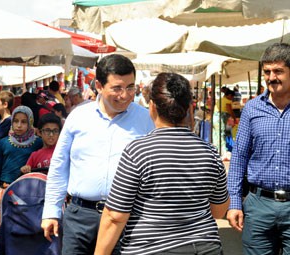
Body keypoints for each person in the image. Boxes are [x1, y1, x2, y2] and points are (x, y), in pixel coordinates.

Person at [94, 72, 230, 255]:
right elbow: (219, 210)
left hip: (150, 248)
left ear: (152, 107)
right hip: (204, 247)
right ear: (189, 107)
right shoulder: (210, 152)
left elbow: (115, 216)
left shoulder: (137, 152)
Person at [41, 54, 155, 254]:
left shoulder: (146, 120)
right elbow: (59, 165)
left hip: (127, 219)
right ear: (99, 86)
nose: (125, 95)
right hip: (79, 218)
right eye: (117, 88)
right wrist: (51, 210)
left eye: (130, 87)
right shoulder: (78, 117)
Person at [227, 42, 290, 255]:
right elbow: (239, 157)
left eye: (278, 71)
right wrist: (234, 202)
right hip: (258, 206)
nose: (272, 77)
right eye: (267, 72)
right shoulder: (252, 109)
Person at [0, 105, 43, 213]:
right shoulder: (3, 143)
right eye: (16, 121)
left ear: (30, 122)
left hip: (29, 194)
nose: (19, 125)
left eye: (23, 122)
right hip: (5, 191)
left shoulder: (38, 143)